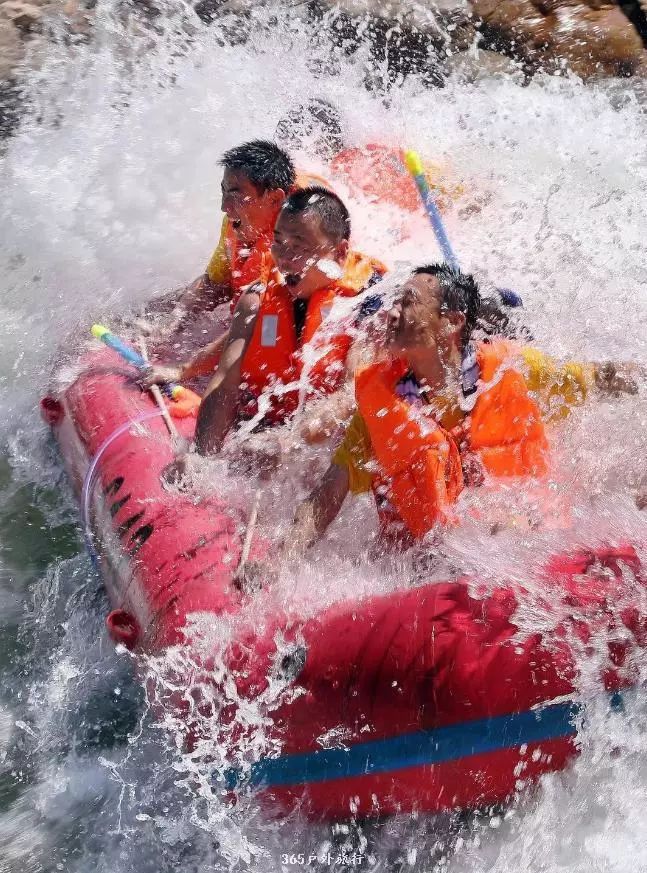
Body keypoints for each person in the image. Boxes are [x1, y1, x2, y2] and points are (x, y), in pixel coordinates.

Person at [281, 264, 644, 560]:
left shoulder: (513, 368)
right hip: (426, 570)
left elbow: (602, 378)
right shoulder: (378, 408)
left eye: (406, 303)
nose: (392, 312)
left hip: (525, 545)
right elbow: (325, 498)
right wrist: (280, 559)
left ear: (452, 322)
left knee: (506, 522)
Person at [190, 186, 377, 458]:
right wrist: (200, 460)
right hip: (272, 423)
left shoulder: (369, 305)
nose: (285, 259)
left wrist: (287, 439)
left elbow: (352, 395)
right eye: (279, 242)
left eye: (300, 247)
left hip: (333, 446)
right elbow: (225, 384)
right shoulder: (257, 299)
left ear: (339, 253)